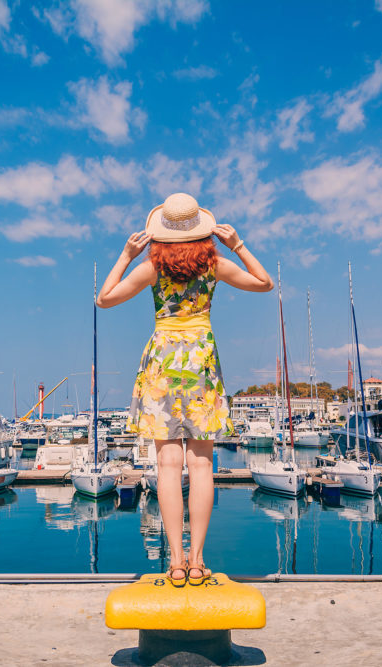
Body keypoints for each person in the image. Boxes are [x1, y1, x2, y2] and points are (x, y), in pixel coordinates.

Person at [97, 193, 273, 586]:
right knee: (202, 466)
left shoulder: (151, 269)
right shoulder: (216, 267)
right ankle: (197, 560)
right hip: (200, 363)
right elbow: (265, 283)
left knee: (168, 467)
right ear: (201, 232)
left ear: (161, 235)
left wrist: (126, 255)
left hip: (162, 363)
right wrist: (239, 245)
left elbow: (104, 299)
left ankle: (174, 560)